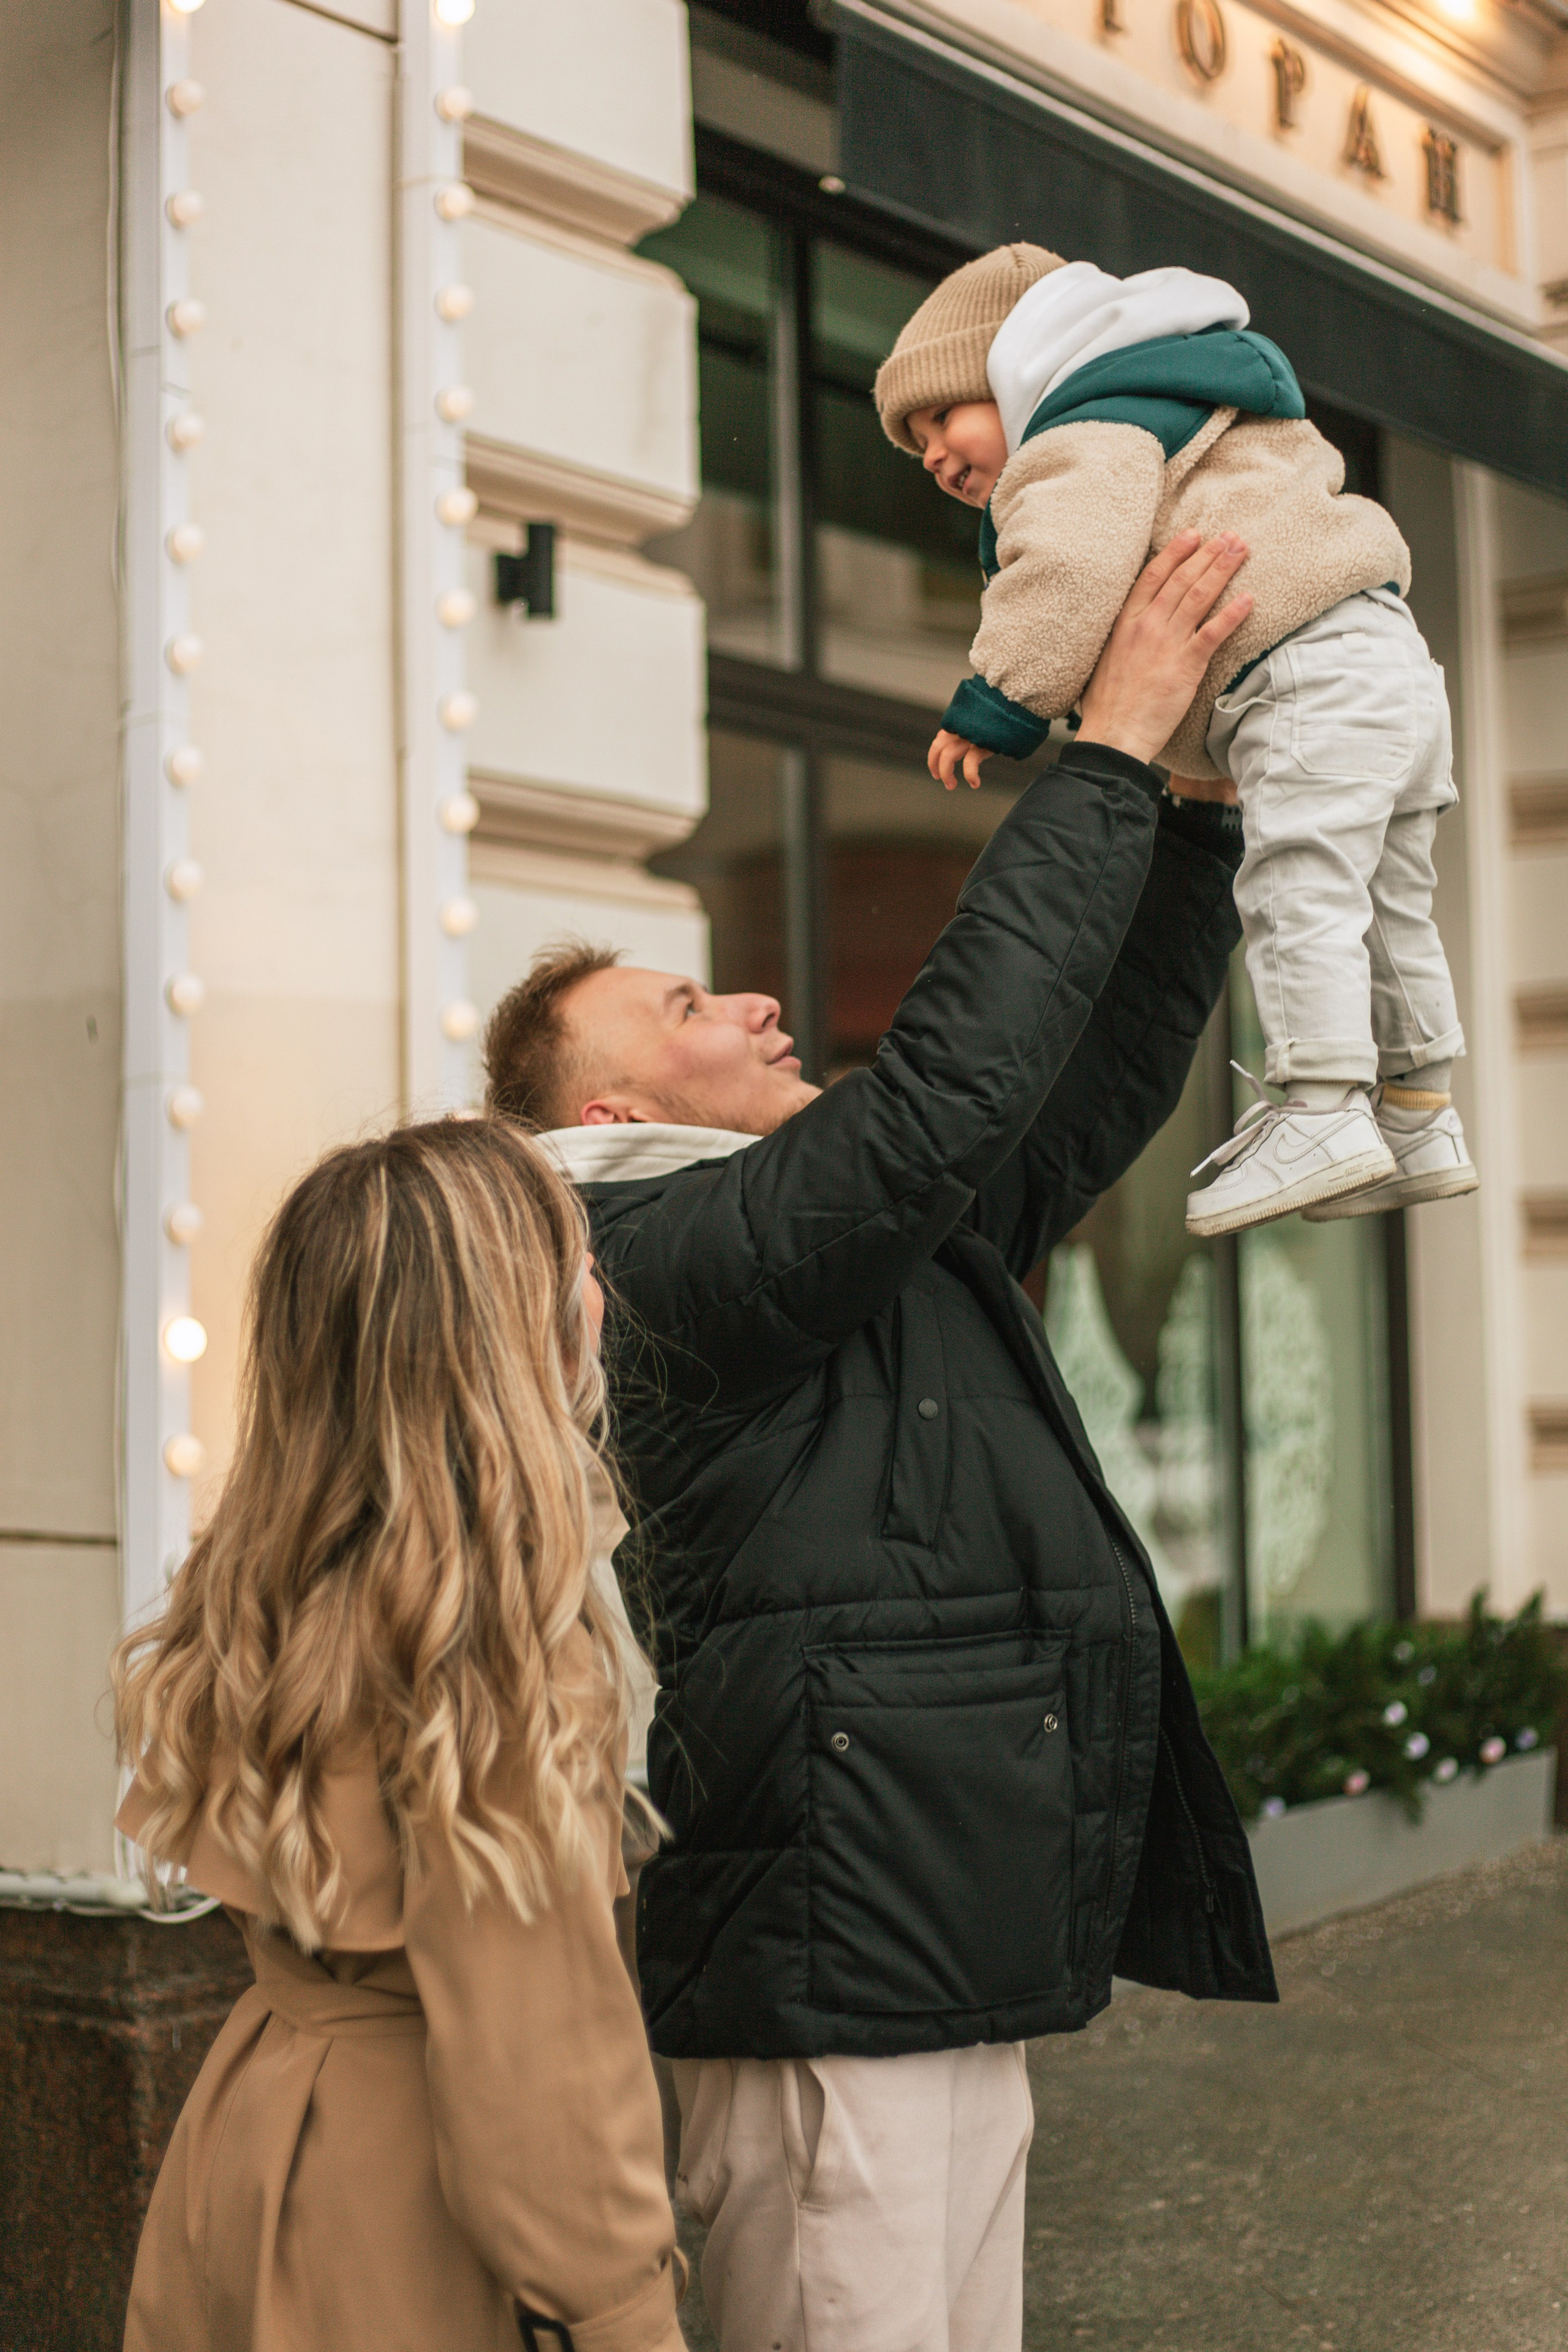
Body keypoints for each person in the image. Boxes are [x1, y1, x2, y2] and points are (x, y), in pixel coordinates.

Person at [482, 536, 1276, 2352]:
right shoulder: (637, 1252)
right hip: (830, 1959)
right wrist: (1107, 749)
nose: (758, 1004)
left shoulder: (817, 1217)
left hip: (924, 1915)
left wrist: (1194, 818)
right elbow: (947, 1094)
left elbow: (1065, 1091)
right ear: (610, 1111)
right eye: (692, 1010)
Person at [111, 1118, 685, 2352]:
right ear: (511, 1329)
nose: (601, 1289)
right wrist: (628, 2316)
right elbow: (537, 2069)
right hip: (408, 2207)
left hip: (246, 2142)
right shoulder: (494, 1640)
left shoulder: (272, 1579)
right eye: (573, 1260)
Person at [875, 242, 1476, 1237]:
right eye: (915, 447)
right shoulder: (1202, 401)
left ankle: (1320, 1106)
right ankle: (1418, 1109)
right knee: (1385, 900)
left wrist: (998, 699)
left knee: (1300, 887)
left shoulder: (1079, 433)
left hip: (1299, 677)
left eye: (942, 417)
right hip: (1390, 662)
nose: (934, 455)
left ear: (1020, 363)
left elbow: (1065, 568)